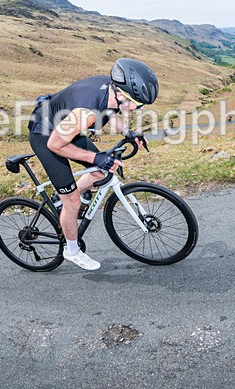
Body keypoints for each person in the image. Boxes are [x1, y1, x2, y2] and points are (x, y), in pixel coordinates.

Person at [27, 58, 159, 270]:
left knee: (101, 174)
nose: (136, 108)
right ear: (121, 93)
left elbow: (111, 112)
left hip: (66, 127)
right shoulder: (86, 113)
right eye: (135, 102)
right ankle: (71, 250)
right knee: (73, 201)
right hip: (46, 135)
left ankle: (62, 200)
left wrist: (128, 133)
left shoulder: (111, 91)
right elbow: (56, 145)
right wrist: (96, 158)